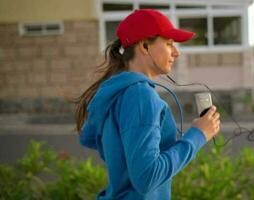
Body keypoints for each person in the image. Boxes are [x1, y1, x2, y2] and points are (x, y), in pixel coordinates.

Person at [74, 9, 220, 200]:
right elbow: (147, 177)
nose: (176, 52)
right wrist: (198, 135)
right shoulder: (140, 96)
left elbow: (91, 138)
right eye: (169, 44)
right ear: (144, 46)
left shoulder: (118, 92)